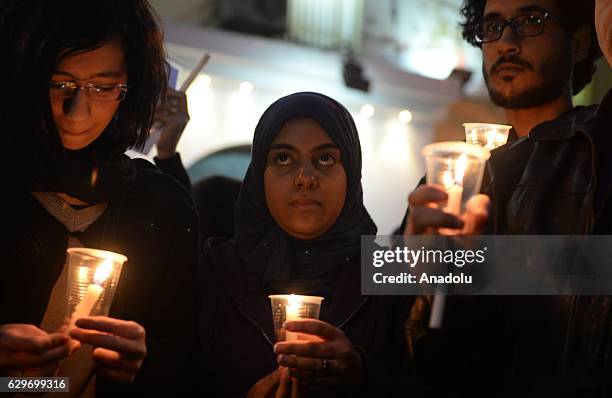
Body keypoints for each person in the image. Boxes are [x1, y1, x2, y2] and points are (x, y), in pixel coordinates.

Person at [402, 0, 610, 396]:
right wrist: (416, 269)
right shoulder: (454, 178)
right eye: (492, 26)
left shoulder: (597, 150)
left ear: (581, 41)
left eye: (531, 21)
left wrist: (484, 265)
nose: (506, 43)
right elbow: (403, 328)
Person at [0, 0, 199, 395]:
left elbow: (183, 360)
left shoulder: (160, 208)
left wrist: (142, 366)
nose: (77, 112)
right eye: (60, 84)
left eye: (104, 87)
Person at [198, 92, 413, 397]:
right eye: (283, 158)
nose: (305, 178)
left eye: (325, 158)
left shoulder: (394, 276)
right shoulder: (217, 271)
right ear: (259, 175)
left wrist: (362, 377)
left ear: (351, 173)